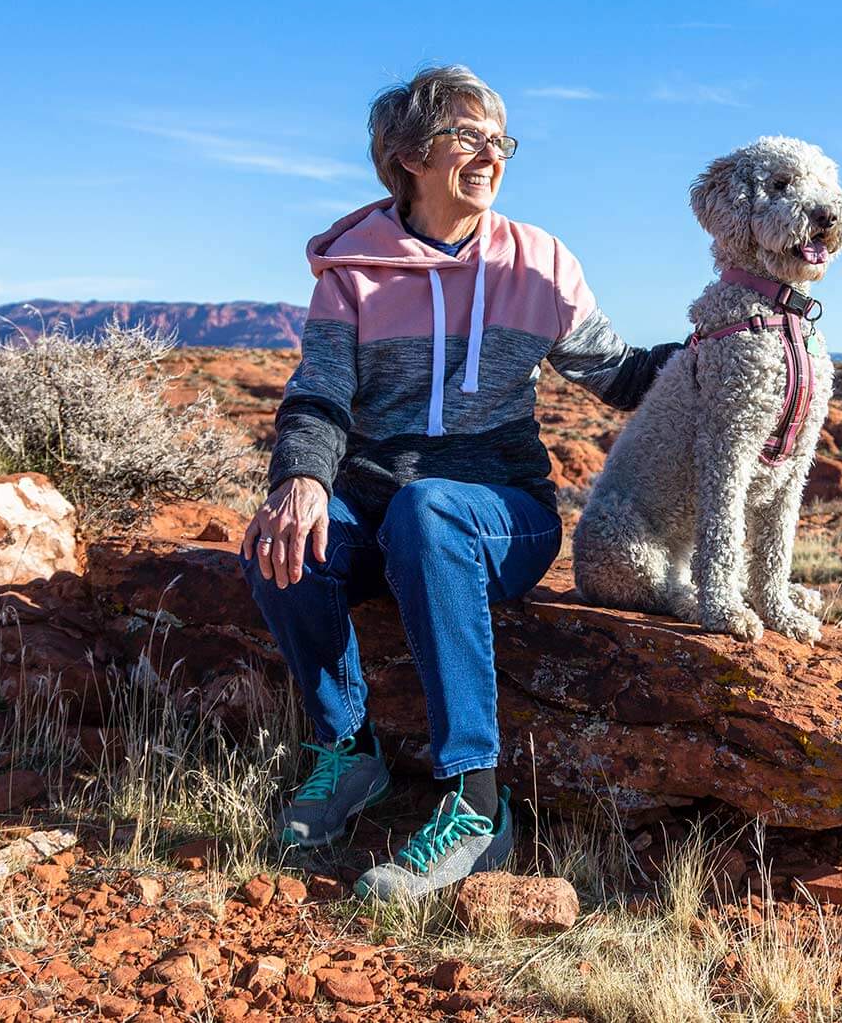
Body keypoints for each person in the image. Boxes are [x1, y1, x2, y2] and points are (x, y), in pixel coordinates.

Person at [240, 64, 679, 901]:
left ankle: (477, 804)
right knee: (276, 543)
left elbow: (619, 376)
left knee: (430, 506)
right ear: (408, 153)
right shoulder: (353, 268)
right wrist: (298, 480)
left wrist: (729, 338)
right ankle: (349, 751)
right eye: (468, 136)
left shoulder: (540, 261)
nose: (491, 154)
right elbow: (320, 393)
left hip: (500, 513)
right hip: (379, 506)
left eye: (499, 140)